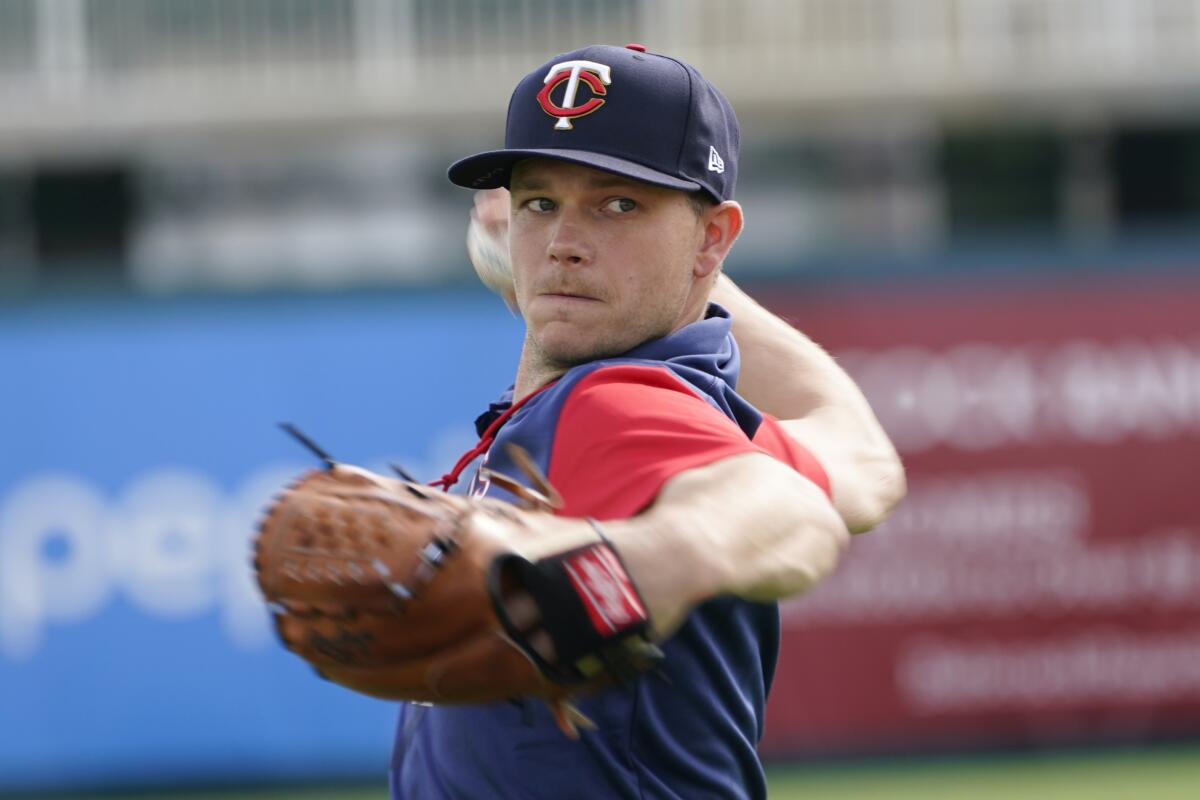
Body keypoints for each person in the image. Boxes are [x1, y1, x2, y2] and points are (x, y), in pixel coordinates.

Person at [391, 44, 905, 799]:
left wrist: (654, 561)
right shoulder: (665, 391)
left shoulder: (613, 402)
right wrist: (619, 269)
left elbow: (785, 506)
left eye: (618, 204)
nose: (564, 244)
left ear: (714, 240)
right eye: (541, 203)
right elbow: (861, 464)